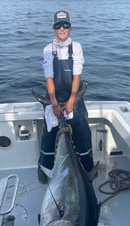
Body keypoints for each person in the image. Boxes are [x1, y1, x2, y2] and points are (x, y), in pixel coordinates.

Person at [38, 10, 94, 184]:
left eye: (65, 25)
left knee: (81, 130)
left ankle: (87, 169)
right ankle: (45, 168)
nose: (62, 29)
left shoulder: (76, 47)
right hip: (53, 97)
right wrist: (54, 104)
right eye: (58, 26)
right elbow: (49, 78)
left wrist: (71, 101)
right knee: (49, 134)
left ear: (70, 27)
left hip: (74, 96)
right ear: (53, 28)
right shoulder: (48, 49)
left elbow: (76, 76)